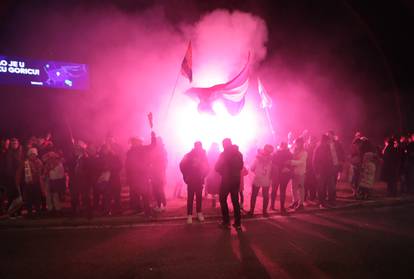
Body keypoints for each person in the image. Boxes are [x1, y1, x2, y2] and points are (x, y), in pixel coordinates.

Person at [125, 132, 156, 218]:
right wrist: (129, 177)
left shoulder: (141, 149)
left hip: (142, 176)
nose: (136, 143)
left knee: (145, 194)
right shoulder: (130, 152)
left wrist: (153, 137)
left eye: (136, 141)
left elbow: (152, 146)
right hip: (136, 177)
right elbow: (128, 165)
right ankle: (140, 209)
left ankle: (147, 212)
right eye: (134, 142)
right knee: (137, 194)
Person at [215, 138, 244, 230]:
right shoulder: (239, 154)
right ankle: (238, 223)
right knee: (235, 201)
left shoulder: (223, 155)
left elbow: (217, 167)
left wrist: (222, 172)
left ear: (224, 145)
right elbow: (241, 166)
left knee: (222, 199)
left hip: (226, 180)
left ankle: (226, 221)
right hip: (236, 180)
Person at [180, 141, 209, 224]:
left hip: (199, 180)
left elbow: (208, 167)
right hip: (191, 180)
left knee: (199, 197)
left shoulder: (203, 156)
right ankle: (189, 215)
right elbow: (181, 165)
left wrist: (203, 175)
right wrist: (186, 176)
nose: (199, 149)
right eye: (197, 147)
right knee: (190, 198)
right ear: (195, 147)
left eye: (200, 147)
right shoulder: (189, 155)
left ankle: (199, 213)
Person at [248, 144, 273, 217]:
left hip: (257, 179)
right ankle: (264, 212)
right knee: (265, 196)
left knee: (254, 195)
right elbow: (272, 170)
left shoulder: (257, 158)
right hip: (266, 180)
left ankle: (251, 211)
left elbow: (252, 168)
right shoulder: (271, 160)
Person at [17, 148, 43, 217]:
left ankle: (38, 212)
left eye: (34, 154)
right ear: (29, 155)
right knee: (29, 199)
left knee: (37, 198)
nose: (33, 156)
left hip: (36, 183)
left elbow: (40, 172)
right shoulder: (25, 162)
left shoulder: (39, 162)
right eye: (31, 154)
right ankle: (30, 212)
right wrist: (18, 181)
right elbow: (19, 172)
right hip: (28, 184)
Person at [313, 134, 336, 208]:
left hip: (329, 171)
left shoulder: (329, 148)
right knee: (321, 187)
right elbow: (314, 161)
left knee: (331, 187)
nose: (328, 142)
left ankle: (331, 201)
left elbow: (332, 158)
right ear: (324, 141)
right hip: (321, 171)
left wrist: (333, 168)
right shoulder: (318, 148)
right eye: (327, 141)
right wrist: (317, 172)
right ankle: (322, 203)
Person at [270, 142, 292, 215]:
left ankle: (272, 206)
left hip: (278, 174)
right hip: (283, 174)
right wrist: (285, 166)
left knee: (275, 190)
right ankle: (281, 207)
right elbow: (290, 163)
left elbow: (273, 163)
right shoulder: (289, 154)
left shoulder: (277, 153)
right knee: (282, 190)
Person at [289, 137, 307, 211]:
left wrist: (291, 162)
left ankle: (301, 203)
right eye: (296, 143)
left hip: (301, 172)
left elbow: (302, 161)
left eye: (298, 143)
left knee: (300, 188)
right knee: (293, 188)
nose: (297, 144)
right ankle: (295, 201)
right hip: (294, 172)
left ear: (302, 144)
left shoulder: (304, 152)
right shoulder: (294, 150)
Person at [151, 136, 168, 212]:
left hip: (159, 173)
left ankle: (161, 205)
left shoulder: (161, 150)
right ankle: (161, 204)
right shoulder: (159, 150)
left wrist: (158, 169)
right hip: (156, 173)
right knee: (158, 189)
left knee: (159, 189)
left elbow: (164, 163)